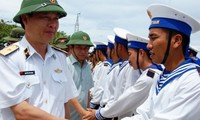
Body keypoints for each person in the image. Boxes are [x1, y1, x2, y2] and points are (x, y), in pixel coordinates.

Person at [0, 0, 89, 119]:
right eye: (45, 17)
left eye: (56, 18)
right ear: (25, 19)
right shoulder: (8, 59)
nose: (53, 24)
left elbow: (64, 102)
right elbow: (21, 111)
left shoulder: (60, 57)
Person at [123, 4, 200, 120]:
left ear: (176, 41)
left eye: (153, 38)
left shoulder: (193, 82)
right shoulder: (163, 76)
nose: (148, 45)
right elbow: (144, 115)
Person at [66, 31, 94, 120]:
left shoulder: (87, 67)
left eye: (86, 48)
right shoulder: (65, 64)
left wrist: (88, 110)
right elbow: (66, 92)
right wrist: (83, 112)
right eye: (79, 48)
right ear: (71, 47)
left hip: (83, 116)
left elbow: (87, 92)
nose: (83, 51)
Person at [90, 41, 112, 109]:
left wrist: (93, 103)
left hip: (98, 103)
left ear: (98, 52)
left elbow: (101, 88)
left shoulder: (105, 66)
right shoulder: (102, 65)